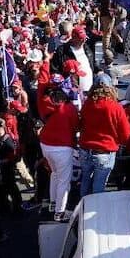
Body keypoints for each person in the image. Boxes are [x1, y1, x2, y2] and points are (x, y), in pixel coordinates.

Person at [76, 73, 130, 196]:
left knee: (85, 180)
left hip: (85, 149)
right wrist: (121, 142)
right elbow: (126, 133)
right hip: (104, 152)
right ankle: (94, 211)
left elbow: (80, 124)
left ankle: (83, 205)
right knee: (98, 186)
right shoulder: (115, 107)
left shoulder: (88, 104)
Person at [38, 80, 80, 222]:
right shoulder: (70, 108)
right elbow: (76, 127)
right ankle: (59, 213)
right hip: (61, 147)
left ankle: (53, 204)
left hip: (45, 145)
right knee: (64, 181)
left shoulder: (47, 103)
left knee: (54, 174)